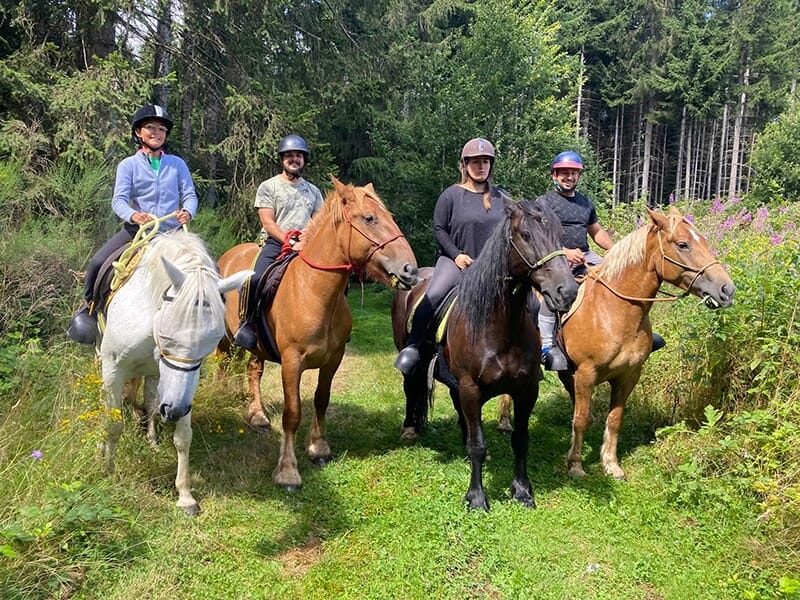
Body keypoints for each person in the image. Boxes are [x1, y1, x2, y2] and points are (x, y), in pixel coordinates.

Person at [67, 104, 196, 344]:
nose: (156, 132)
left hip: (172, 232)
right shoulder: (128, 165)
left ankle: (207, 320)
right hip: (138, 231)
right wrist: (133, 215)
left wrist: (188, 211)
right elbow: (119, 200)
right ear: (138, 132)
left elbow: (189, 194)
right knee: (97, 262)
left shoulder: (177, 164)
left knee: (205, 267)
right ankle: (90, 310)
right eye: (150, 127)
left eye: (161, 129)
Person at [536, 150, 664, 371]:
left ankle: (637, 336)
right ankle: (547, 345)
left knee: (620, 281)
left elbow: (596, 232)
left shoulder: (585, 203)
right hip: (555, 258)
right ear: (554, 175)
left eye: (573, 173)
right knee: (554, 293)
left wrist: (617, 252)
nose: (569, 177)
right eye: (564, 173)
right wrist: (565, 252)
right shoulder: (544, 202)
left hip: (585, 255)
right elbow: (539, 237)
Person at [394, 137, 510, 375]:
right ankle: (414, 346)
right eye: (475, 162)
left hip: (494, 266)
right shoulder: (451, 195)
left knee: (528, 302)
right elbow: (439, 229)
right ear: (465, 165)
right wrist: (457, 255)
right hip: (455, 261)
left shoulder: (503, 198)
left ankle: (530, 355)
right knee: (433, 296)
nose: (481, 167)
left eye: (485, 162)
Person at [233, 134, 324, 350]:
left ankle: (335, 324)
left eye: (298, 156)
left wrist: (306, 239)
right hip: (275, 242)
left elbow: (319, 222)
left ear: (304, 160)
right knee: (254, 279)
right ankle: (247, 323)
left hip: (307, 245)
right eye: (289, 156)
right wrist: (289, 241)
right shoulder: (268, 186)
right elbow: (267, 221)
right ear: (282, 159)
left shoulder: (313, 191)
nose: (294, 159)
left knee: (336, 278)